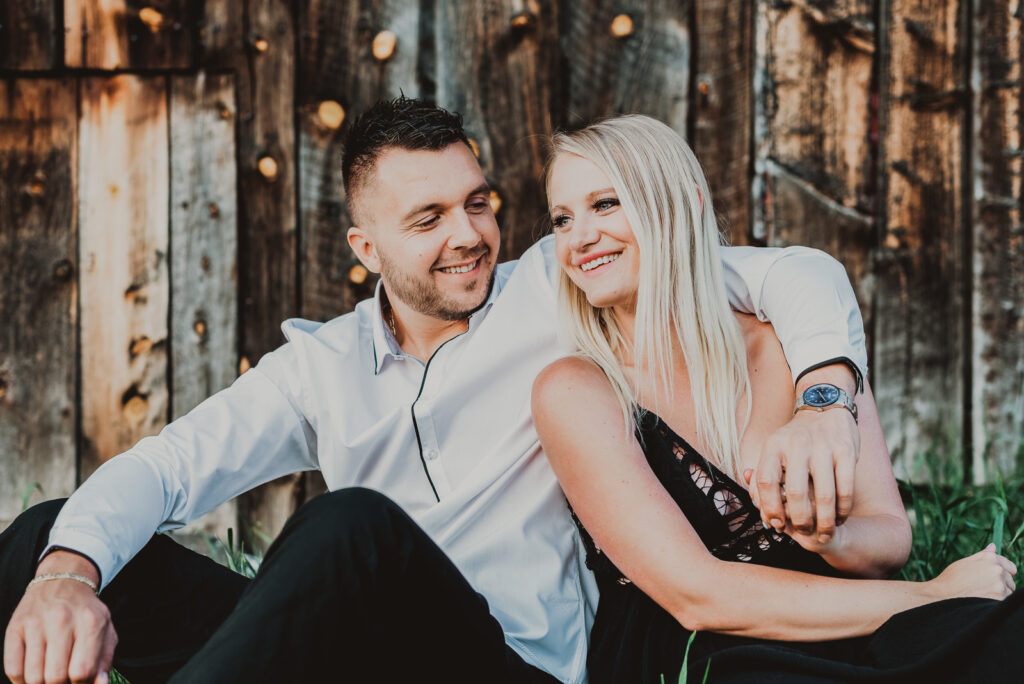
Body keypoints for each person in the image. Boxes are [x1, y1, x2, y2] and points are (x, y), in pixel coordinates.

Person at [4, 97, 868, 684]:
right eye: (428, 220)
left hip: (502, 664)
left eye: (479, 204)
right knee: (46, 538)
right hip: (344, 653)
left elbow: (793, 273)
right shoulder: (319, 367)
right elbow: (166, 469)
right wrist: (67, 575)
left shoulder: (552, 293)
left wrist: (825, 397)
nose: (470, 237)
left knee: (354, 526)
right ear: (365, 247)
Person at [532, 113, 1024, 683]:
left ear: (684, 205)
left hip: (850, 619)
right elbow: (700, 598)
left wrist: (831, 537)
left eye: (607, 204)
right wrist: (934, 596)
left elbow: (888, 538)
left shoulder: (794, 343)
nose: (579, 238)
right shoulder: (575, 388)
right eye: (562, 219)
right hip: (705, 652)